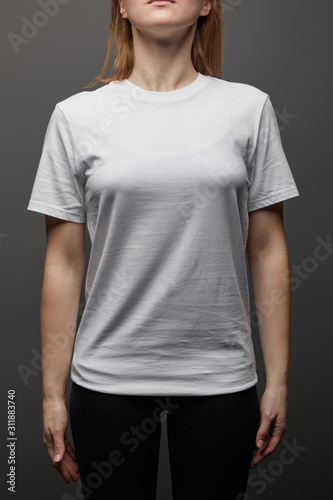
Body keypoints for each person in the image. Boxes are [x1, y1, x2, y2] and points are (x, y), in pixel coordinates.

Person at [26, 1, 300, 498]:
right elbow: (64, 263)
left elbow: (266, 248)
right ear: (122, 9)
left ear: (206, 6)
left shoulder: (248, 108)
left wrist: (278, 379)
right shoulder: (76, 116)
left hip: (220, 377)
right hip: (108, 377)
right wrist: (50, 394)